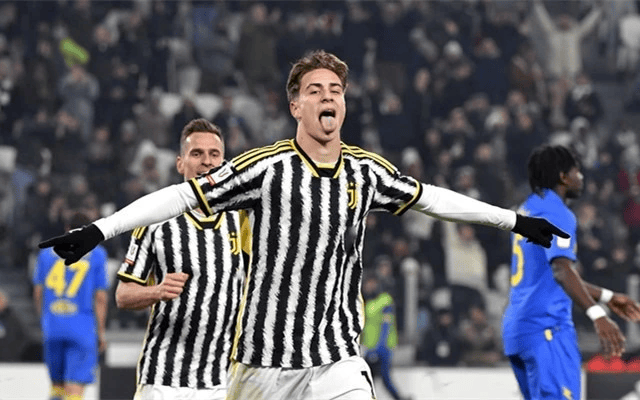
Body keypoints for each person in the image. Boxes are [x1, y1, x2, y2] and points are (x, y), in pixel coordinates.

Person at [40, 50, 568, 400]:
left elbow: (432, 199)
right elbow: (181, 195)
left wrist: (514, 221)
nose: (328, 97)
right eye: (315, 90)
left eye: (335, 89)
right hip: (262, 365)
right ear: (295, 106)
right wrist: (99, 230)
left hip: (336, 358)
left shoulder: (366, 172)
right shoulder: (264, 169)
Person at [115, 118, 249, 399]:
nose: (206, 161)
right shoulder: (155, 220)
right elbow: (123, 295)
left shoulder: (243, 221)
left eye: (214, 154)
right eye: (197, 153)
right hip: (164, 380)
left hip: (221, 382)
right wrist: (157, 291)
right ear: (180, 163)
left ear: (224, 163)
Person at [501, 144, 640, 400]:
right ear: (563, 177)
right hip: (547, 328)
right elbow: (561, 271)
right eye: (577, 171)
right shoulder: (558, 214)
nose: (581, 177)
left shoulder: (527, 208)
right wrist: (598, 314)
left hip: (518, 330)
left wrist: (607, 297)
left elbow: (550, 277)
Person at [34, 211, 108, 400]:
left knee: (56, 388)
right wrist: (101, 332)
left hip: (53, 326)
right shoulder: (97, 254)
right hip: (82, 327)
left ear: (67, 229)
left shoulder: (46, 254)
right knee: (74, 390)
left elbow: (38, 292)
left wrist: (44, 320)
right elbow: (100, 297)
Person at [361, 274, 411, 400]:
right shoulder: (368, 302)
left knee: (381, 378)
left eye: (371, 283)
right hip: (370, 347)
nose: (368, 286)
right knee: (371, 380)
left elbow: (386, 324)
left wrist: (380, 346)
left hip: (383, 347)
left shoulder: (385, 300)